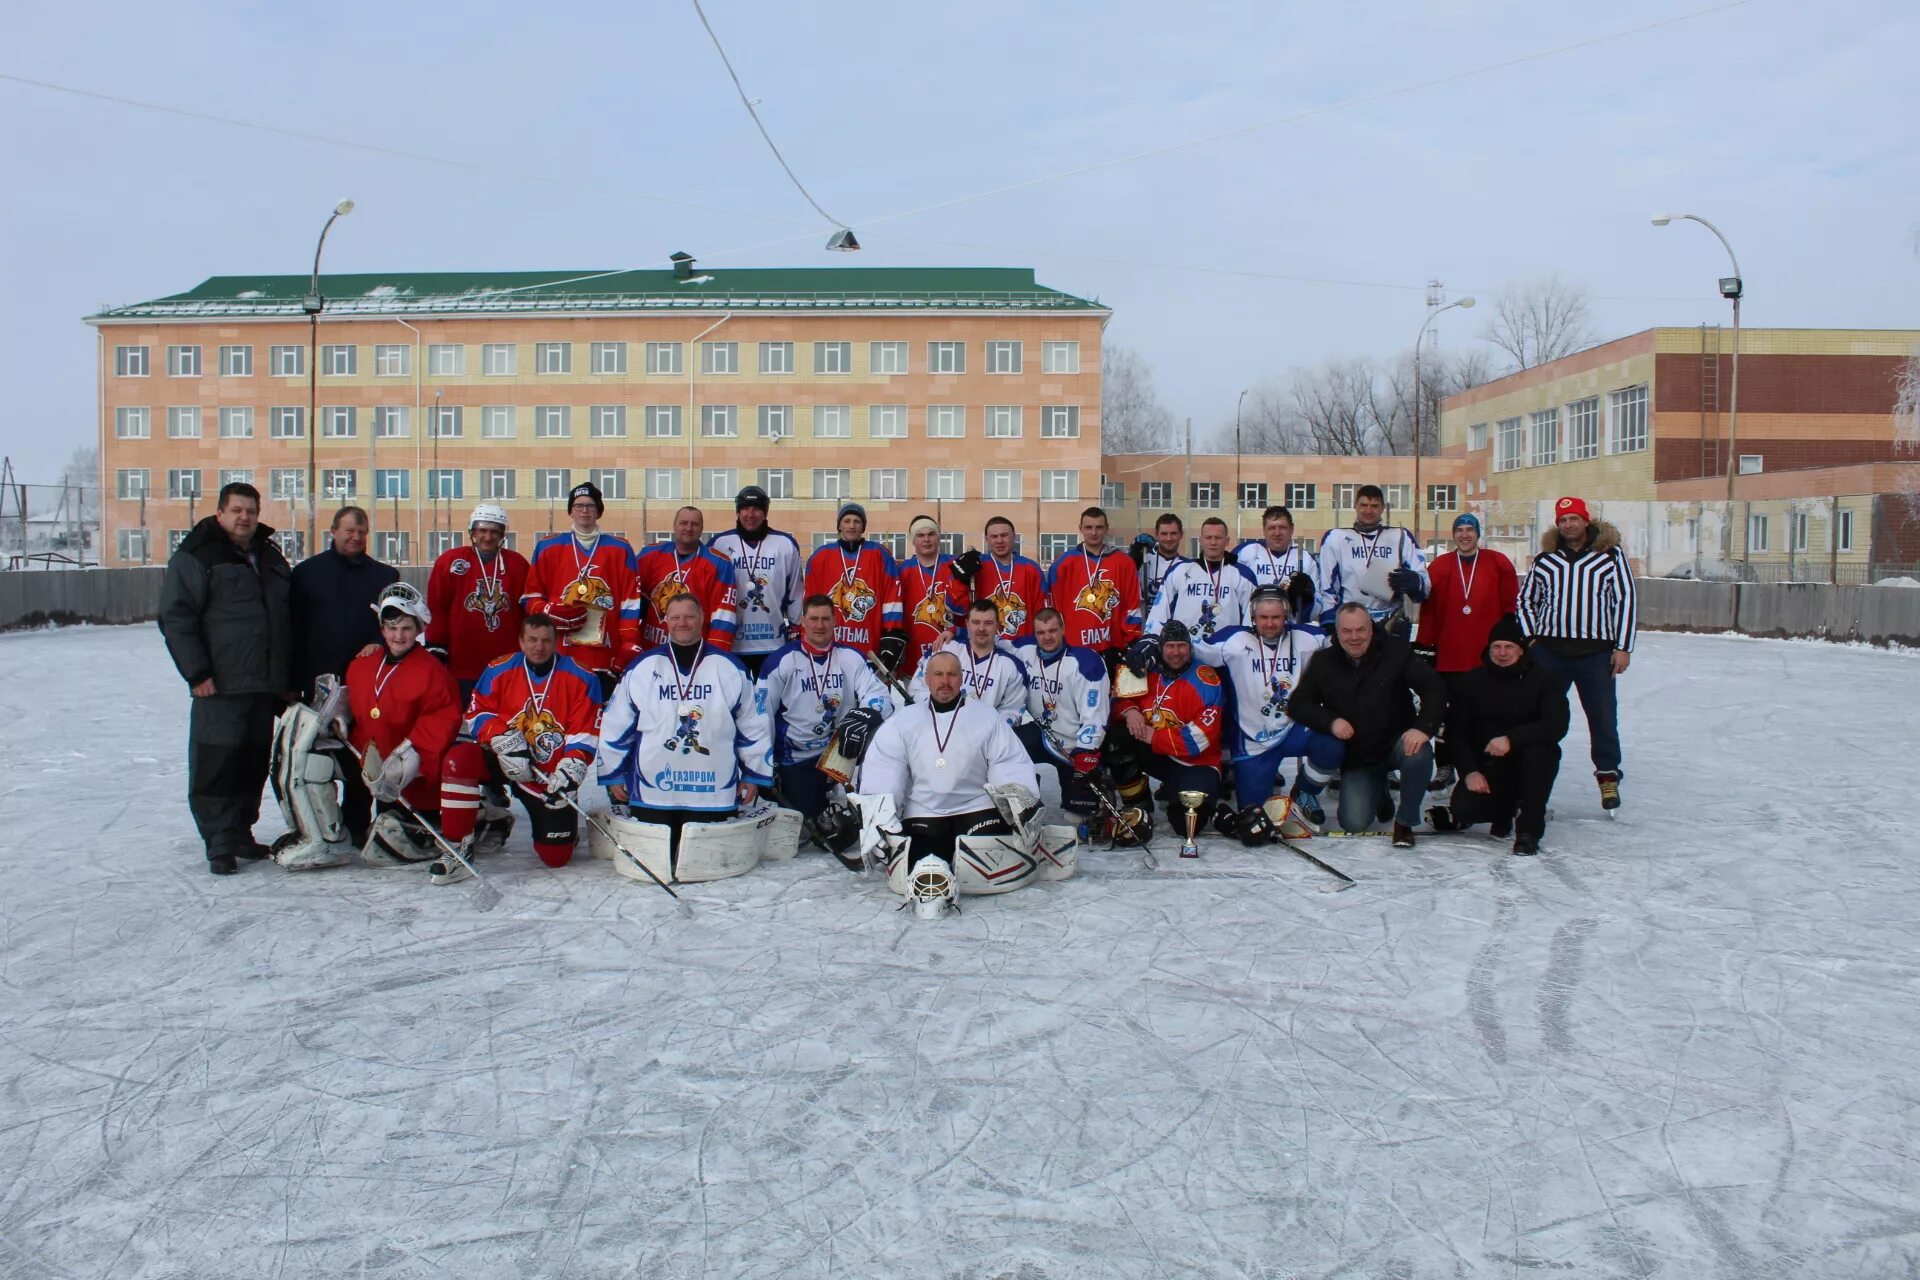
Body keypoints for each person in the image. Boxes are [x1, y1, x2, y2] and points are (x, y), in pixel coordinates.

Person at [158, 482, 296, 875]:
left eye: (251, 511)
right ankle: (218, 841)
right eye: (237, 510)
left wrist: (284, 676)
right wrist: (197, 672)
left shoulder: (268, 556)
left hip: (263, 683)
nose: (244, 518)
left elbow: (284, 617)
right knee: (216, 761)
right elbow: (177, 616)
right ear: (220, 512)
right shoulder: (197, 555)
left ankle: (239, 832)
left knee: (252, 761)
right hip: (220, 684)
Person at [597, 593, 773, 868]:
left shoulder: (730, 667)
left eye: (689, 616)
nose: (682, 623)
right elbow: (616, 723)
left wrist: (753, 774)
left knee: (705, 866)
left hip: (711, 791)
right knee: (658, 863)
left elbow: (754, 724)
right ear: (665, 620)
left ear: (702, 619)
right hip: (654, 789)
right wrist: (613, 772)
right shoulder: (642, 667)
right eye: (675, 617)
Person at [860, 650, 1040, 905]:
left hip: (978, 812)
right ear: (927, 679)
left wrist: (1020, 802)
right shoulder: (903, 721)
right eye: (939, 674)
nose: (945, 681)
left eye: (952, 674)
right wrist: (878, 815)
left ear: (961, 678)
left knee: (986, 856)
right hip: (925, 815)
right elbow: (886, 768)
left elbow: (1007, 762)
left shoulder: (987, 717)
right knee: (922, 863)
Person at [438, 613, 604, 876]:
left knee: (556, 857)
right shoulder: (498, 670)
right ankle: (459, 844)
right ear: (521, 642)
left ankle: (502, 821)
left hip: (546, 776)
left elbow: (584, 732)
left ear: (556, 641)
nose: (539, 647)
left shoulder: (582, 677)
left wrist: (571, 766)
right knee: (459, 759)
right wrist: (501, 737)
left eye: (546, 641)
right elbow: (476, 713)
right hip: (505, 757)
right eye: (532, 640)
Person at [1286, 603, 1446, 847]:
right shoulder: (1323, 661)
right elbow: (1298, 703)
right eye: (1347, 631)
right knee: (1354, 823)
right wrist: (1331, 721)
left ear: (1371, 629)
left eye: (1360, 630)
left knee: (1419, 754)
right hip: (1359, 756)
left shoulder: (1396, 652)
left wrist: (1423, 728)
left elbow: (1434, 687)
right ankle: (1378, 789)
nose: (1354, 638)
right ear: (1337, 633)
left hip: (1396, 742)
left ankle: (1404, 822)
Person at [1517, 496, 1637, 810]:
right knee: (1540, 717)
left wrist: (1622, 647)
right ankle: (1529, 781)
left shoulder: (1609, 556)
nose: (1569, 525)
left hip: (1594, 654)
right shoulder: (1546, 559)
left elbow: (1624, 600)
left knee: (1602, 719)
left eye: (1574, 518)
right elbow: (1526, 600)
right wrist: (1532, 639)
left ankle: (1608, 778)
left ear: (1586, 521)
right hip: (1550, 653)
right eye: (1563, 520)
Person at [1189, 587, 1342, 830]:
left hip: (1294, 727)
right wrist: (1152, 644)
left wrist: (1380, 634)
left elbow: (1347, 639)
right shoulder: (1232, 641)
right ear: (1253, 616)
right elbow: (1188, 648)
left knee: (1333, 743)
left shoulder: (1307, 638)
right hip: (1252, 737)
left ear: (1286, 615)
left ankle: (1305, 791)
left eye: (1276, 617)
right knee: (1253, 816)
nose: (1270, 623)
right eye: (1264, 618)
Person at [342, 583, 464, 866]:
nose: (399, 636)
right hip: (374, 768)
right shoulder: (362, 664)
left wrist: (414, 754)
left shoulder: (433, 672)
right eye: (392, 628)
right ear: (382, 629)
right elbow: (352, 704)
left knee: (401, 826)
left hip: (413, 777)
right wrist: (339, 716)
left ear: (419, 630)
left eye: (406, 628)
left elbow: (442, 718)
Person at [1429, 614, 1570, 856]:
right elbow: (1457, 732)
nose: (1502, 653)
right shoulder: (1471, 681)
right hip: (1488, 765)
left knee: (1539, 753)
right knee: (1464, 808)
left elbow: (1556, 725)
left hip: (1531, 761)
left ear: (1521, 650)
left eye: (1509, 647)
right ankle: (1504, 810)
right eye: (1497, 646)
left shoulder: (1545, 680)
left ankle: (1529, 830)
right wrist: (1470, 771)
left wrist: (1512, 740)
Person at [757, 594, 894, 827]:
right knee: (809, 821)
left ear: (834, 621)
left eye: (825, 619)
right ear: (802, 621)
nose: (819, 625)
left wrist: (863, 717)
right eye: (813, 619)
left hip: (840, 753)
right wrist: (764, 765)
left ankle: (868, 800)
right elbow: (760, 716)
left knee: (882, 730)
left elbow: (881, 698)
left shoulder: (850, 657)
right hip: (797, 756)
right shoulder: (781, 661)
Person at [1106, 621, 1227, 836]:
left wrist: (1152, 735)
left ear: (1190, 648)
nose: (1176, 652)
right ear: (1161, 648)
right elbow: (1119, 699)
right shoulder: (1148, 671)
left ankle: (1186, 794)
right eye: (1170, 646)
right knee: (1117, 738)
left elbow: (1197, 740)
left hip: (1195, 763)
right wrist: (1130, 711)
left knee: (1186, 826)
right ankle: (1138, 803)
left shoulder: (1206, 681)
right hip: (1159, 755)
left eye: (1182, 646)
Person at [520, 482, 641, 697]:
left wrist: (628, 641)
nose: (584, 511)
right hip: (559, 650)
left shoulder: (620, 549)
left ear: (599, 511)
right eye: (578, 506)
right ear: (570, 511)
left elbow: (630, 602)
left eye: (590, 506)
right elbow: (531, 597)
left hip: (604, 650)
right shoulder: (548, 547)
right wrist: (547, 610)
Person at [424, 502, 530, 703]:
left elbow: (527, 611)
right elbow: (437, 607)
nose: (487, 537)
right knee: (463, 720)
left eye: (494, 531)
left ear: (502, 534)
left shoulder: (517, 564)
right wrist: (436, 646)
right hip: (462, 662)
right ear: (472, 531)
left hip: (507, 662)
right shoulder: (450, 562)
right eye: (482, 530)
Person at [289, 505, 398, 699]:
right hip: (318, 680)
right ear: (333, 531)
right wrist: (291, 682)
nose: (356, 537)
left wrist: (378, 642)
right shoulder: (306, 573)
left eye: (361, 532)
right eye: (349, 531)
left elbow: (394, 623)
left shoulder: (385, 576)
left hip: (368, 679)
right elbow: (293, 629)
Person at [1010, 607, 1109, 817]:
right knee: (1005, 749)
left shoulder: (1084, 662)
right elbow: (987, 640)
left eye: (1052, 631)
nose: (1047, 637)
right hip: (1043, 734)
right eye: (1041, 632)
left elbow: (1095, 713)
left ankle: (1102, 787)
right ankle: (1024, 802)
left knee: (1076, 818)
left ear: (1063, 629)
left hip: (1073, 747)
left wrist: (1086, 752)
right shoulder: (1025, 649)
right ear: (1034, 633)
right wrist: (956, 634)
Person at [707, 485, 804, 679]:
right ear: (738, 511)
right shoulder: (720, 544)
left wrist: (796, 626)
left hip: (773, 642)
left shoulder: (785, 544)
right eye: (745, 508)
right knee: (736, 702)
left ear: (765, 512)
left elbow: (795, 590)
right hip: (730, 641)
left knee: (767, 703)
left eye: (757, 508)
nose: (750, 514)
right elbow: (708, 591)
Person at [802, 502, 905, 666]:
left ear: (863, 526)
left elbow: (892, 597)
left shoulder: (879, 554)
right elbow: (809, 601)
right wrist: (806, 636)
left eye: (857, 521)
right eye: (847, 521)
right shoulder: (820, 557)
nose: (851, 526)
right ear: (839, 526)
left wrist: (892, 633)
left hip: (870, 649)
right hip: (830, 648)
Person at [1318, 484, 1428, 632]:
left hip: (1389, 619)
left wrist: (1415, 581)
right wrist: (1330, 622)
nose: (1368, 510)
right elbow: (1328, 587)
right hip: (1351, 620)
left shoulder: (1401, 537)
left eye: (1374, 506)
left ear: (1383, 508)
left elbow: (1425, 583)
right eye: (1363, 505)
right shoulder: (1336, 538)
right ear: (1355, 505)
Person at [1044, 506, 1143, 663]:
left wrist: (1132, 642)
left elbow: (1132, 606)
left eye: (1099, 527)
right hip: (1074, 649)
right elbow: (1053, 608)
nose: (1094, 532)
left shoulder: (1124, 563)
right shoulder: (1062, 564)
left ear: (1106, 529)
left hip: (1113, 647)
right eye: (1088, 527)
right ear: (1080, 529)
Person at [910, 598, 1029, 727]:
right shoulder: (946, 648)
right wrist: (943, 715)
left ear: (998, 625)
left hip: (984, 740)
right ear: (967, 624)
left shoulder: (1011, 666)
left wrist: (985, 730)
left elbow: (1012, 711)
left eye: (988, 623)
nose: (981, 628)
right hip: (937, 729)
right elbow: (917, 687)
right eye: (976, 622)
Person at [636, 506, 738, 651]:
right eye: (683, 523)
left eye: (695, 524)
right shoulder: (649, 555)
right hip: (652, 647)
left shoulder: (719, 563)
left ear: (702, 529)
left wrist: (715, 655)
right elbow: (631, 602)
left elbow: (724, 616)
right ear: (674, 526)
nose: (688, 528)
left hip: (696, 650)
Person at [1146, 516, 1258, 643]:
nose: (1213, 542)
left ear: (1227, 540)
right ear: (1200, 540)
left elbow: (1250, 622)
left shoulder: (1243, 575)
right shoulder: (1179, 571)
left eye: (1218, 538)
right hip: (1184, 652)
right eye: (1208, 537)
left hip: (1226, 653)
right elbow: (1158, 616)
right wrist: (1151, 641)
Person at [896, 514, 969, 675]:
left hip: (953, 648)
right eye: (920, 535)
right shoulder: (903, 571)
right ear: (913, 540)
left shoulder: (955, 565)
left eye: (931, 534)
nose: (926, 539)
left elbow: (967, 609)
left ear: (939, 538)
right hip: (914, 652)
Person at [960, 516, 1046, 642]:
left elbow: (1041, 612)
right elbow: (959, 606)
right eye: (994, 536)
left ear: (1014, 537)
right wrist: (959, 577)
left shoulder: (1031, 568)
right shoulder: (977, 566)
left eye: (1004, 535)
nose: (999, 540)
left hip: (1025, 645)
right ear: (986, 539)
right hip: (987, 643)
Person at [1234, 505, 1324, 624]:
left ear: (1292, 529)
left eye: (1282, 527)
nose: (1277, 533)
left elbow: (1318, 605)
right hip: (1253, 627)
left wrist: (1307, 596)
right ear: (1264, 530)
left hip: (1290, 629)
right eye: (1271, 528)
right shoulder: (1247, 552)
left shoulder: (1304, 558)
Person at [1129, 512, 1187, 617]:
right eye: (1164, 534)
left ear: (1181, 534)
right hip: (1144, 626)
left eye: (1173, 533)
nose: (1169, 539)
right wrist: (1133, 556)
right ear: (1156, 534)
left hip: (1173, 628)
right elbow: (1123, 581)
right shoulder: (1144, 560)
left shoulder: (1188, 566)